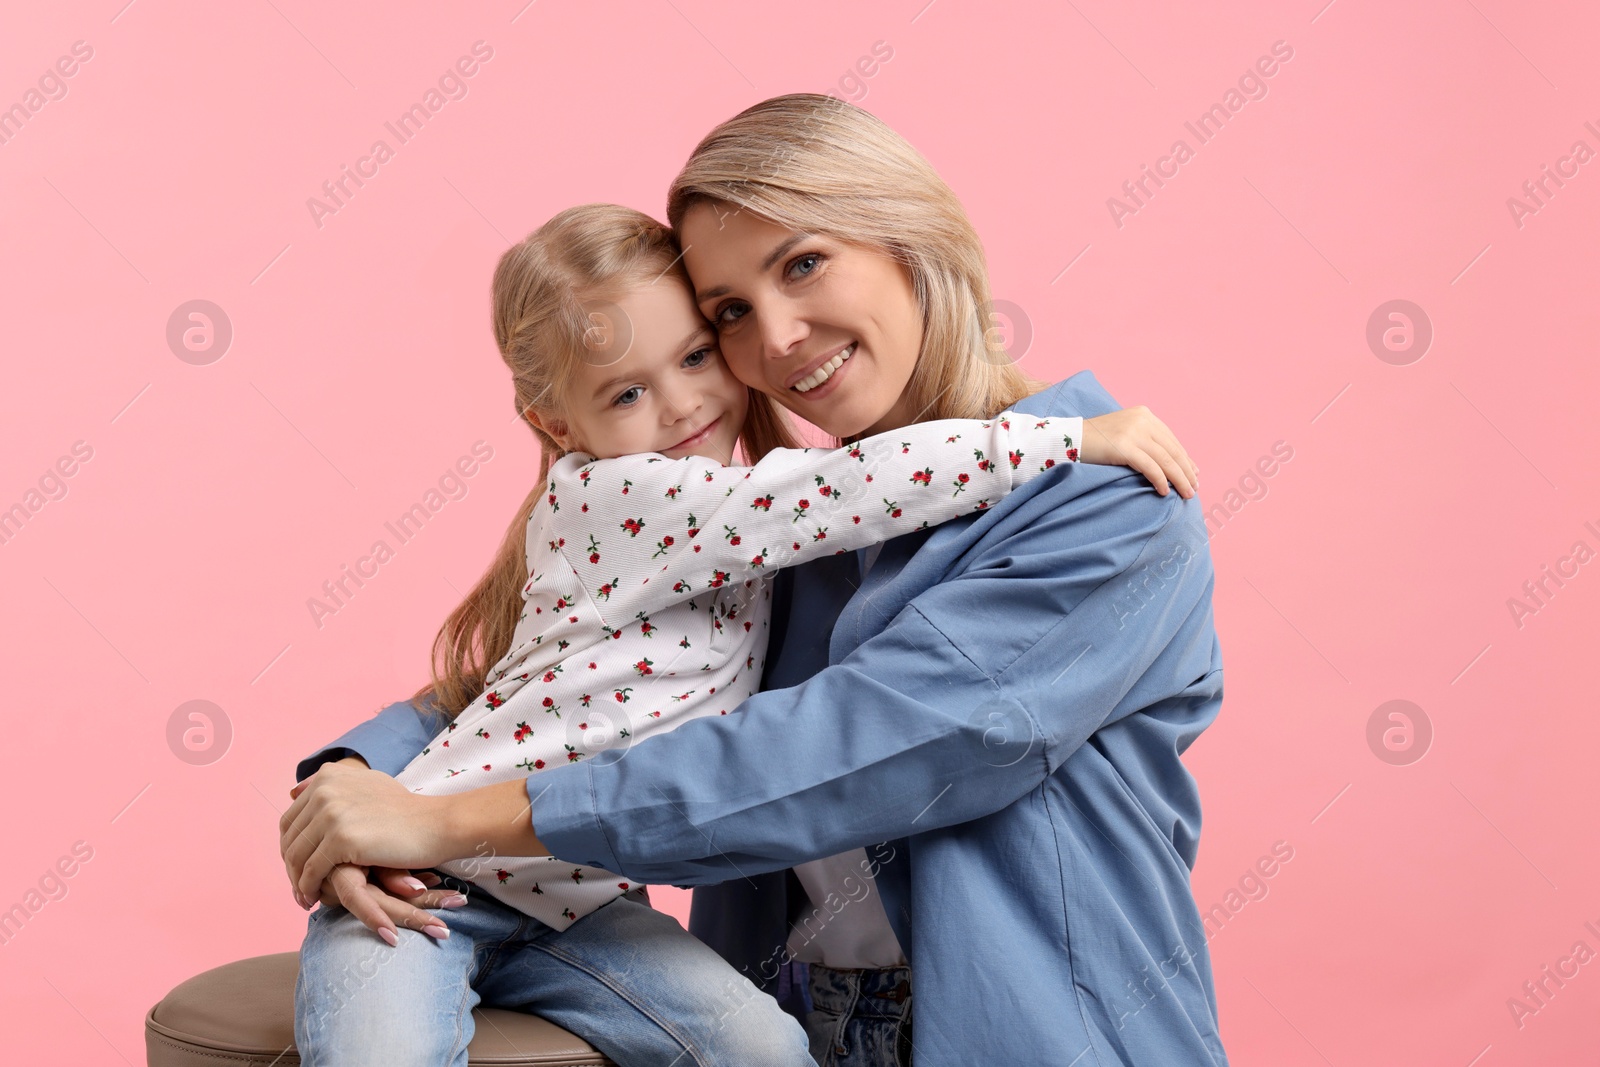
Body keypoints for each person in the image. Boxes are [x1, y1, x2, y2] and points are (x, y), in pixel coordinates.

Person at [284, 93, 1226, 1067]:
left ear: (908, 234)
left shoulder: (1105, 498)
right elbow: (526, 682)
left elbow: (846, 751)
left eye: (803, 262)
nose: (774, 336)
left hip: (1029, 1033)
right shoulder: (782, 525)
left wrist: (441, 817)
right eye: (730, 311)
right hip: (795, 1018)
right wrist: (347, 787)